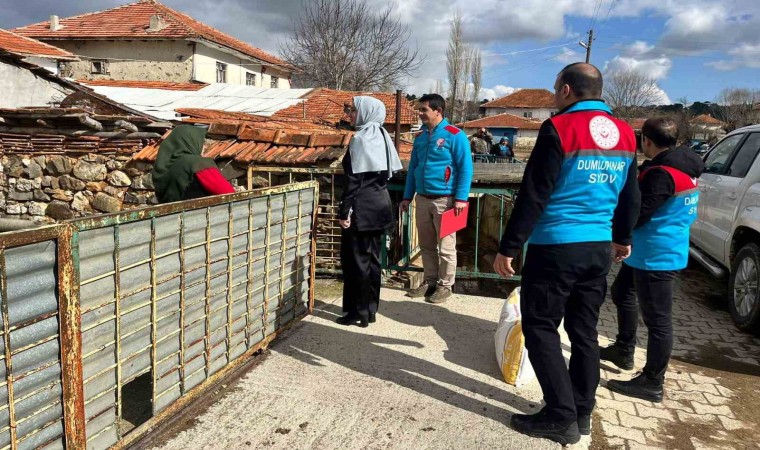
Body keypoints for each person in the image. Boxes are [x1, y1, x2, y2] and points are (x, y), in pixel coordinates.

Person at [493, 63, 640, 445]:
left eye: (556, 88)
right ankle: (582, 411)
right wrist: (622, 237)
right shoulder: (625, 133)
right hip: (597, 249)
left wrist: (509, 246)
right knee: (584, 331)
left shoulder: (558, 127)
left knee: (541, 328)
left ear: (567, 90)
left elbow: (535, 191)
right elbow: (630, 193)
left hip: (556, 244)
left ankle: (561, 416)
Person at [602, 117, 705, 401]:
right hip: (660, 248)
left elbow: (640, 212)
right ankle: (624, 349)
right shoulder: (687, 163)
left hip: (655, 255)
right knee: (622, 292)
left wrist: (619, 236)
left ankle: (652, 381)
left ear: (646, 140)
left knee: (658, 321)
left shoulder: (661, 174)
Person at [336, 96, 403, 327]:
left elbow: (354, 181)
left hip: (362, 208)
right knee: (373, 260)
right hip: (380, 205)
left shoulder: (361, 139)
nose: (350, 114)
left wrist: (344, 212)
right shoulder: (383, 137)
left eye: (354, 110)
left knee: (355, 261)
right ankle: (371, 310)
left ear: (366, 112)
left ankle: (357, 312)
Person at [401, 94, 473, 304]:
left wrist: (461, 198)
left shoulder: (455, 135)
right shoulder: (421, 136)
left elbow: (465, 168)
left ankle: (445, 285)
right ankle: (430, 281)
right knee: (426, 245)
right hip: (422, 199)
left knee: (447, 247)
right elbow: (413, 168)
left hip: (446, 200)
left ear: (438, 111)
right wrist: (407, 196)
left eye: (424, 110)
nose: (420, 113)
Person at [152, 125, 235, 203]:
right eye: (202, 142)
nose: (203, 147)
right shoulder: (197, 163)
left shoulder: (162, 167)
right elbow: (228, 193)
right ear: (192, 142)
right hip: (199, 215)